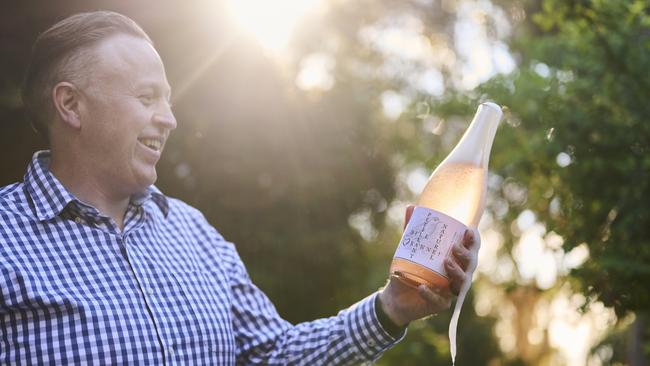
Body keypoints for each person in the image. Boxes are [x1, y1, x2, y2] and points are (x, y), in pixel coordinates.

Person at [0, 11, 479, 365]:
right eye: (146, 98)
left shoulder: (194, 234)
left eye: (167, 100)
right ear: (71, 105)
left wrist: (392, 307)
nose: (168, 119)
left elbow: (275, 355)